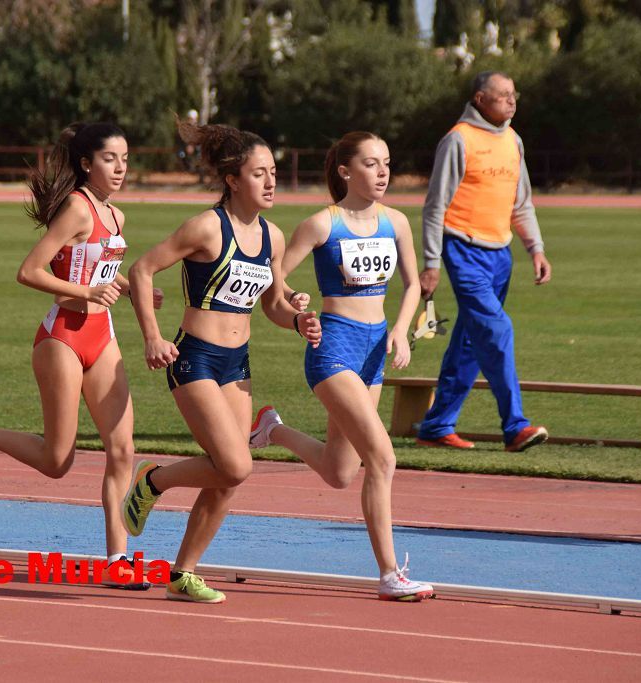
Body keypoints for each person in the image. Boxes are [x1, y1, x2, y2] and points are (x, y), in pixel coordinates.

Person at [0, 122, 162, 589]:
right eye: (109, 159)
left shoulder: (117, 216)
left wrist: (133, 289)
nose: (120, 168)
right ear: (86, 163)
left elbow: (99, 271)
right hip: (61, 339)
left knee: (122, 449)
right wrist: (87, 290)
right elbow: (30, 270)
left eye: (125, 158)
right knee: (57, 461)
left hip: (102, 337)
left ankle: (118, 560)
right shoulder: (77, 209)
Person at [124, 119, 321, 604]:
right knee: (235, 465)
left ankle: (182, 573)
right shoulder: (208, 226)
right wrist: (152, 336)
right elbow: (142, 268)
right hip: (194, 358)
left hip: (238, 362)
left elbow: (273, 301)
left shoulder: (273, 237)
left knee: (231, 474)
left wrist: (297, 318)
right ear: (234, 179)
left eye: (273, 172)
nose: (271, 181)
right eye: (260, 173)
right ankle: (152, 480)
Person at [249, 131, 434, 601]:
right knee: (383, 457)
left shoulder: (396, 223)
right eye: (371, 164)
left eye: (387, 163)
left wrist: (400, 329)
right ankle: (391, 574)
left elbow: (414, 285)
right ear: (346, 171)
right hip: (333, 348)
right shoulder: (321, 225)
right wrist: (294, 305)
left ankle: (272, 429)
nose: (383, 172)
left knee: (339, 471)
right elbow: (273, 282)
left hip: (375, 350)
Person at [416, 71, 552, 452]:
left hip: (500, 254)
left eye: (514, 94)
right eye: (503, 95)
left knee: (471, 341)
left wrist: (535, 249)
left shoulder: (513, 140)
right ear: (480, 99)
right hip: (463, 248)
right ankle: (515, 427)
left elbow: (521, 203)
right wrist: (431, 262)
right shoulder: (458, 139)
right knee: (497, 330)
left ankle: (437, 424)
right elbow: (434, 207)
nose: (512, 101)